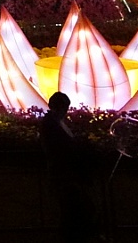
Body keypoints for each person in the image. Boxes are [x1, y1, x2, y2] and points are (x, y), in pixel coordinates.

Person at [39, 91, 101, 242]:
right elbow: (60, 147)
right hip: (64, 173)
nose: (65, 112)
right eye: (64, 108)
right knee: (74, 205)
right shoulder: (51, 124)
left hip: (66, 171)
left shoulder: (56, 122)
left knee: (74, 206)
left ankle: (77, 234)